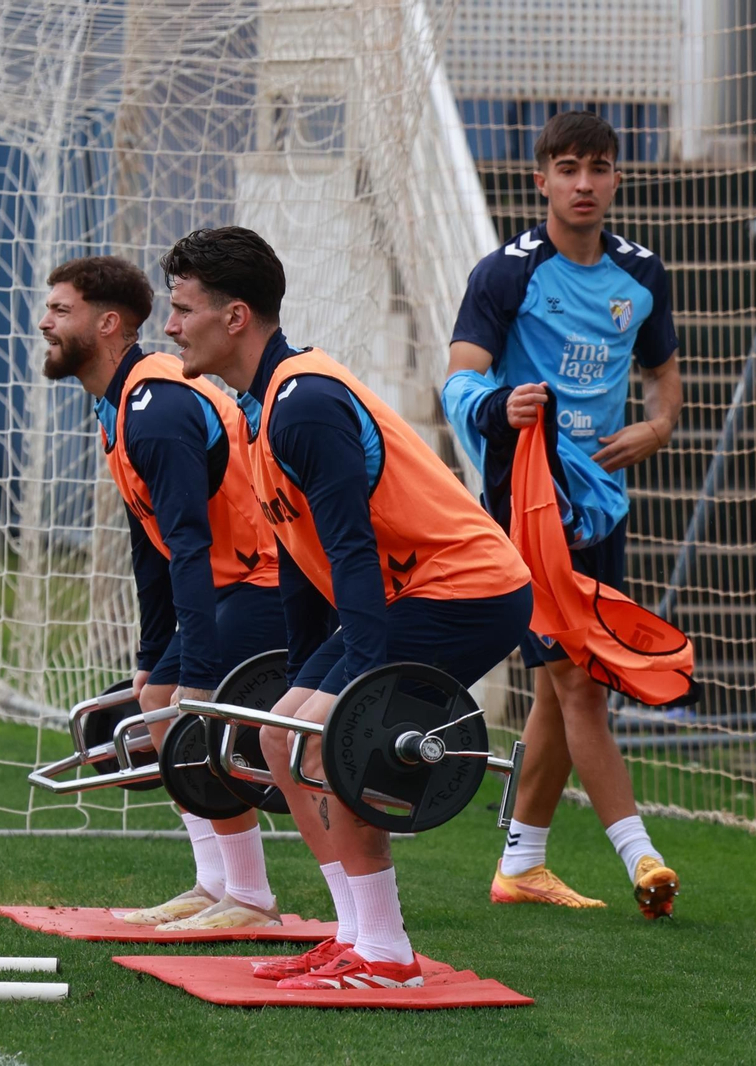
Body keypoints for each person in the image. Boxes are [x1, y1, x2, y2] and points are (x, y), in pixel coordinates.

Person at [160, 227, 533, 989]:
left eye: (182, 308)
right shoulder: (262, 409)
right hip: (408, 592)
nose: (169, 327)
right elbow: (304, 563)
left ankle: (389, 956)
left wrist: (353, 692)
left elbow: (352, 551)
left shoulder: (304, 402)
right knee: (276, 740)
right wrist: (302, 675)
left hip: (467, 588)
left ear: (235, 317)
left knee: (329, 740)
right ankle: (358, 935)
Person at [442, 110, 684, 918]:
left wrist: (655, 427)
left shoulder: (642, 274)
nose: (585, 183)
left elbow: (664, 380)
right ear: (539, 179)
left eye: (600, 167)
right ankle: (641, 856)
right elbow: (457, 380)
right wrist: (498, 403)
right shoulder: (505, 274)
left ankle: (521, 864)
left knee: (560, 692)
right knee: (579, 684)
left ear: (617, 178)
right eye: (569, 168)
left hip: (601, 509)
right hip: (526, 508)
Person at [39, 255, 288, 930]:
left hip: (273, 581)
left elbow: (187, 546)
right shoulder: (120, 406)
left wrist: (199, 673)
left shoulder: (156, 405)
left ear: (108, 323)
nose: (45, 323)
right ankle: (219, 885)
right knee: (155, 697)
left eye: (61, 311)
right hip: (231, 581)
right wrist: (154, 655)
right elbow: (150, 553)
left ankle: (253, 900)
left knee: (184, 711)